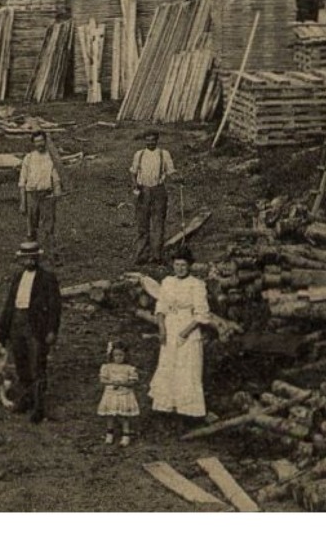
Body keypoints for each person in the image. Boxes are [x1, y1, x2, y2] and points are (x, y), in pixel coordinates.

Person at [0, 240, 61, 423]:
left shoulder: (47, 278)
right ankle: (26, 399)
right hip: (17, 323)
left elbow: (55, 307)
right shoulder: (18, 277)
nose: (29, 261)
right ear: (21, 260)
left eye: (32, 257)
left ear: (38, 258)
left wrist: (51, 330)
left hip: (36, 327)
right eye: (25, 258)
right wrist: (3, 327)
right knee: (21, 364)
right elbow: (10, 303)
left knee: (37, 366)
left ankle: (39, 407)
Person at [149, 249, 210, 420]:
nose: (180, 268)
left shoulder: (196, 284)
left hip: (188, 328)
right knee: (168, 367)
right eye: (177, 264)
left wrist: (184, 333)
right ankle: (166, 411)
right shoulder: (167, 282)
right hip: (169, 327)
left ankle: (188, 414)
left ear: (189, 266)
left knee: (187, 370)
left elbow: (201, 314)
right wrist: (162, 329)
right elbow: (161, 307)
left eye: (183, 265)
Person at [130, 132, 176, 265]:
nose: (150, 143)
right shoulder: (139, 154)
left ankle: (156, 255)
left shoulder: (164, 154)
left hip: (158, 191)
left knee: (158, 223)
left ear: (157, 141)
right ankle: (141, 254)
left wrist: (178, 178)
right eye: (147, 140)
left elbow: (171, 171)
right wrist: (135, 184)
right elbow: (133, 172)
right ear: (144, 141)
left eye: (153, 140)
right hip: (143, 191)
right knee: (142, 224)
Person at [18, 133, 63, 261]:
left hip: (47, 195)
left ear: (45, 141)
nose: (40, 144)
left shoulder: (51, 158)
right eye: (37, 141)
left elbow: (56, 177)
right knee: (31, 227)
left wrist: (57, 191)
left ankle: (52, 255)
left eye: (41, 141)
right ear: (34, 143)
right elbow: (22, 181)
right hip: (32, 195)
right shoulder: (29, 158)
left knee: (49, 226)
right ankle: (31, 256)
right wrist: (23, 202)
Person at [97, 341, 141, 446]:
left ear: (125, 355)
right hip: (111, 394)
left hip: (124, 394)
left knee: (124, 415)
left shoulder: (129, 368)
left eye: (121, 355)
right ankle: (110, 433)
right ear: (112, 356)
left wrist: (124, 383)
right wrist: (112, 382)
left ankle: (126, 435)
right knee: (110, 414)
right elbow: (103, 380)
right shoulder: (108, 367)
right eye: (116, 355)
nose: (118, 357)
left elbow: (133, 382)